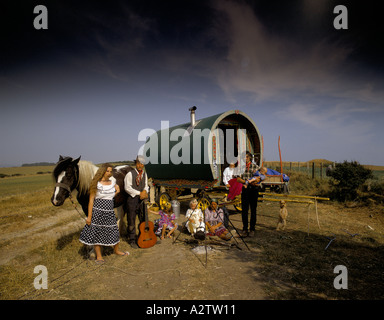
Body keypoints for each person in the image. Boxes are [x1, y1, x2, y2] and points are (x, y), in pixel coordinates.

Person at [79, 163, 129, 263]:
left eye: (111, 171)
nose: (109, 173)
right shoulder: (95, 183)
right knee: (97, 233)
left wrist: (117, 192)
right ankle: (99, 256)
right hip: (98, 211)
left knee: (114, 231)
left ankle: (117, 250)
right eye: (107, 171)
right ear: (102, 171)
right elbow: (91, 201)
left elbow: (110, 197)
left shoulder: (112, 182)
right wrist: (89, 217)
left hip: (109, 211)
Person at [124, 155, 149, 249]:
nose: (140, 165)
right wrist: (139, 193)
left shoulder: (144, 174)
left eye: (142, 163)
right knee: (131, 219)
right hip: (132, 199)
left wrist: (145, 191)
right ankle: (132, 239)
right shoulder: (130, 174)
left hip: (142, 199)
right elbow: (127, 188)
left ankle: (142, 236)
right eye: (138, 163)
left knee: (143, 218)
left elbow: (146, 185)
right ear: (136, 164)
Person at [237, 152, 259, 238]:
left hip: (254, 190)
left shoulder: (255, 167)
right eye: (243, 157)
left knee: (253, 210)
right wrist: (246, 182)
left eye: (246, 157)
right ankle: (245, 229)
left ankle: (252, 229)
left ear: (249, 158)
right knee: (244, 210)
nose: (244, 159)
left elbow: (258, 178)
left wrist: (254, 181)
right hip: (245, 190)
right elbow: (238, 179)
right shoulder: (240, 168)